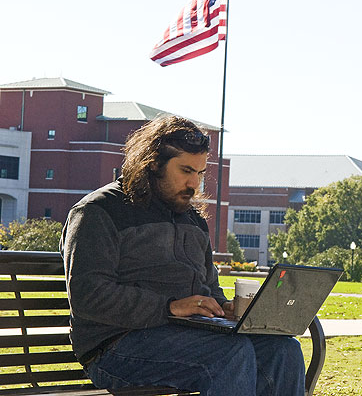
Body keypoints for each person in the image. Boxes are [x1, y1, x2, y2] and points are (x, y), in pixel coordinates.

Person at [60, 115, 305, 395]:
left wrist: (225, 309)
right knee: (230, 355)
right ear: (152, 163)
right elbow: (88, 296)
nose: (194, 185)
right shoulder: (98, 211)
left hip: (190, 337)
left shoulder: (192, 219)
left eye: (200, 173)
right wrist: (169, 307)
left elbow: (209, 287)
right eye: (186, 170)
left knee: (283, 350)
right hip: (116, 346)